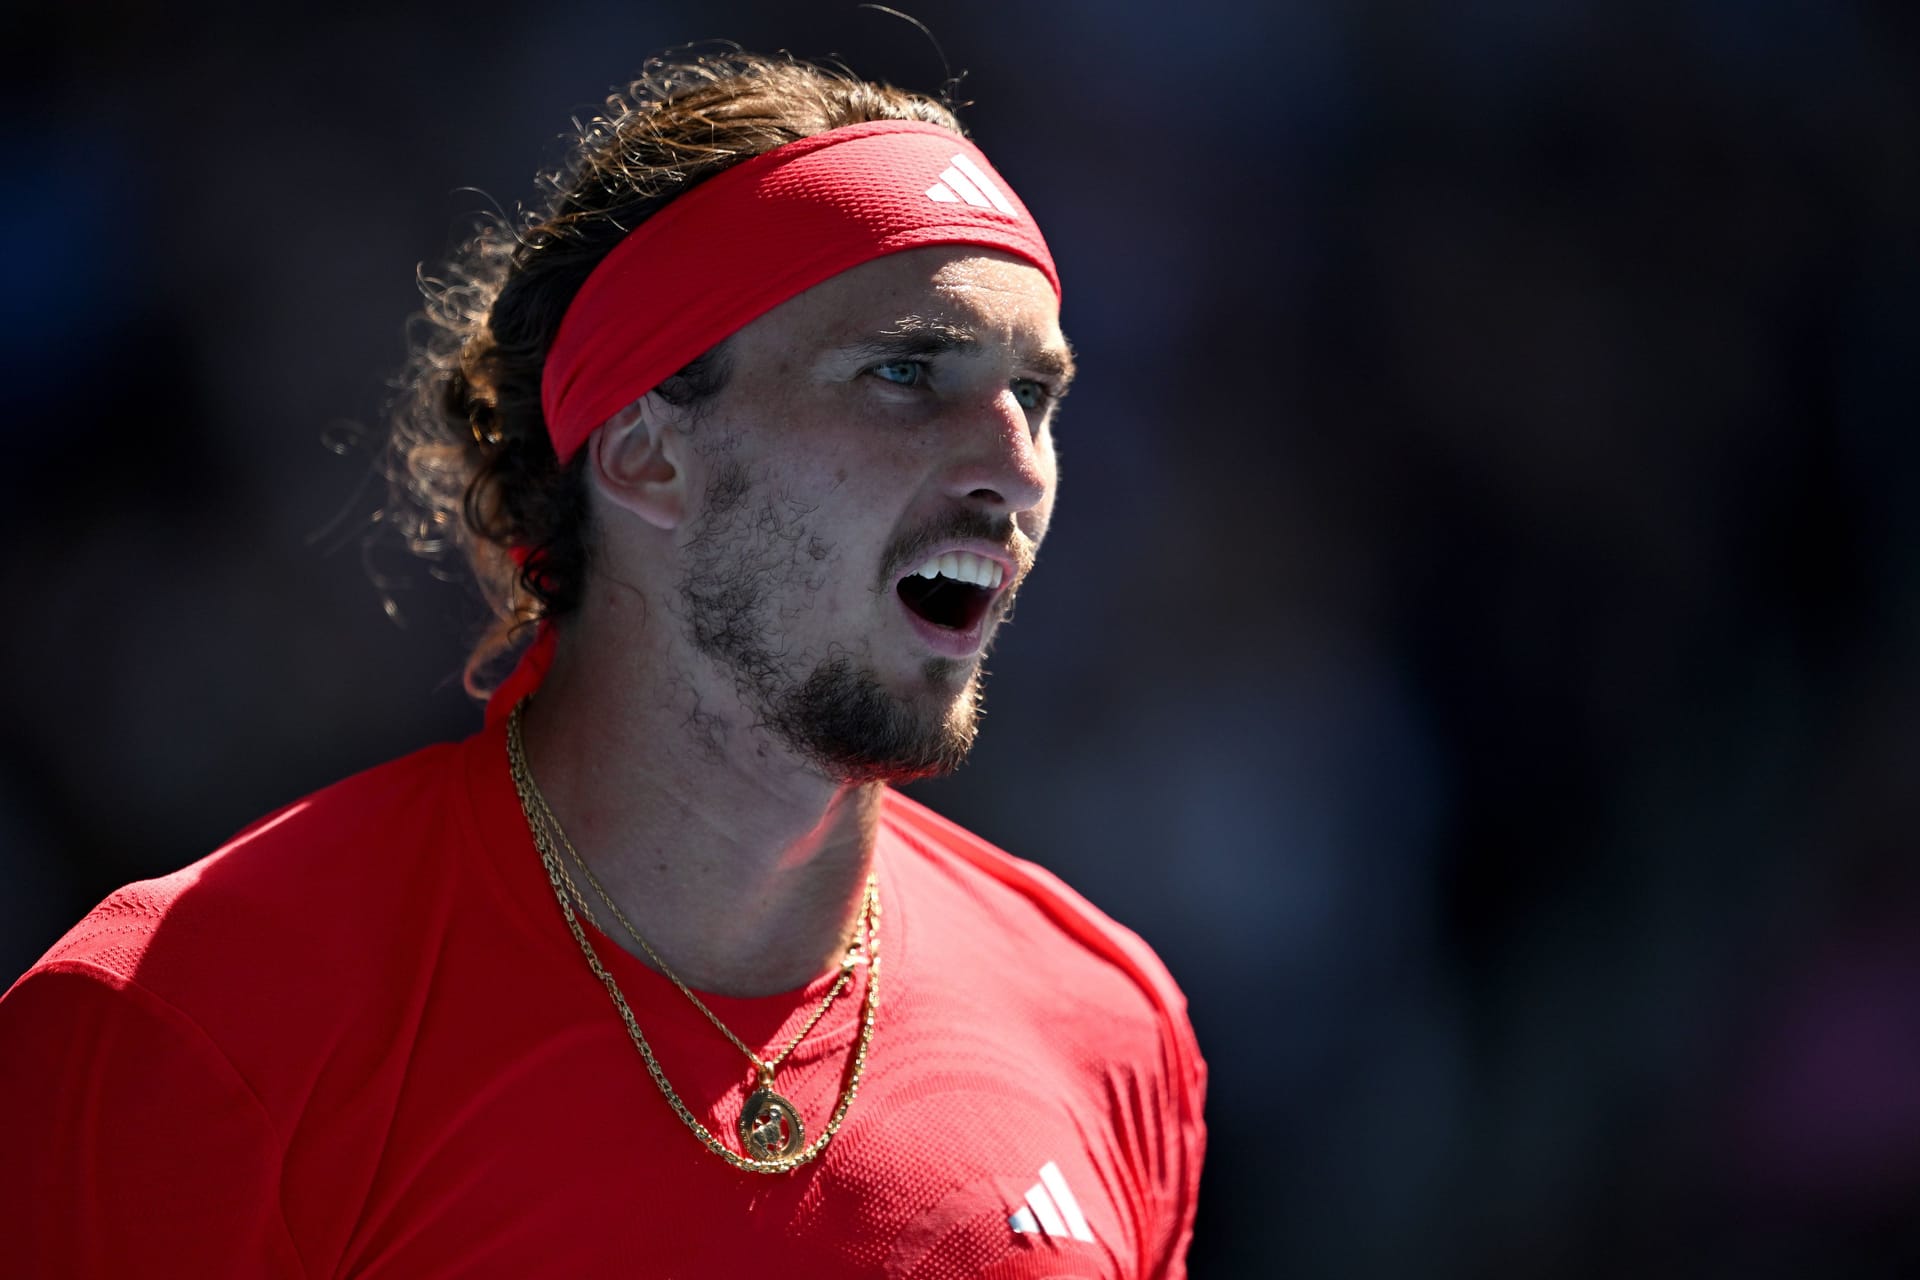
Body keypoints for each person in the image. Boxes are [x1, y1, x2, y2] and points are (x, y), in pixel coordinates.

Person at [0, 52, 1205, 1277]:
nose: (1014, 465)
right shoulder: (186, 1019)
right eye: (904, 374)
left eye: (1037, 395)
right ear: (645, 454)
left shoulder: (1109, 1022)